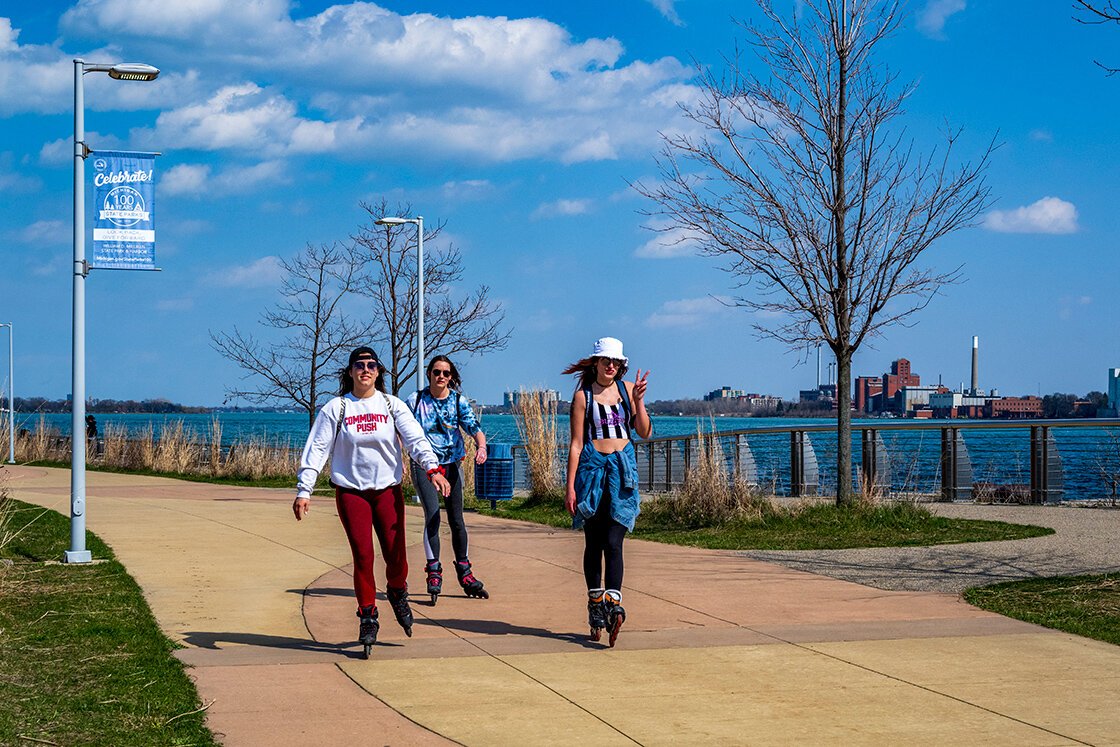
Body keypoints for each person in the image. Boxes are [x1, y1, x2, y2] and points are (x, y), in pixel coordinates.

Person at [294, 346, 451, 658]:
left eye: (371, 365)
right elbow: (317, 449)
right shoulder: (337, 409)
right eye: (359, 365)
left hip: (387, 492)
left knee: (395, 554)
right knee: (363, 555)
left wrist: (432, 468)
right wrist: (304, 489)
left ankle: (398, 592)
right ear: (350, 371)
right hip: (351, 492)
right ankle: (367, 615)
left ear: (379, 372)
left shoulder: (391, 406)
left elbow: (415, 439)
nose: (365, 370)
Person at [563, 337, 651, 647]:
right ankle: (595, 602)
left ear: (621, 366)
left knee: (615, 540)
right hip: (592, 472)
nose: (611, 366)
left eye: (616, 362)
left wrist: (639, 400)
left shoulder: (628, 391)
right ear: (596, 363)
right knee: (594, 541)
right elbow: (575, 444)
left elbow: (644, 431)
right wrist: (570, 486)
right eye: (605, 361)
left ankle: (613, 603)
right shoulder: (583, 397)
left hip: (622, 471)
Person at [408, 355, 489, 604]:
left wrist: (481, 447)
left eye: (445, 373)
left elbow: (473, 427)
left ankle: (464, 571)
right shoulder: (416, 400)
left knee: (457, 520)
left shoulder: (457, 401)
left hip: (451, 464)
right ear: (429, 374)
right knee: (432, 514)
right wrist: (399, 457)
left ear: (451, 376)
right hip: (423, 465)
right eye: (436, 372)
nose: (440, 377)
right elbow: (401, 430)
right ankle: (433, 570)